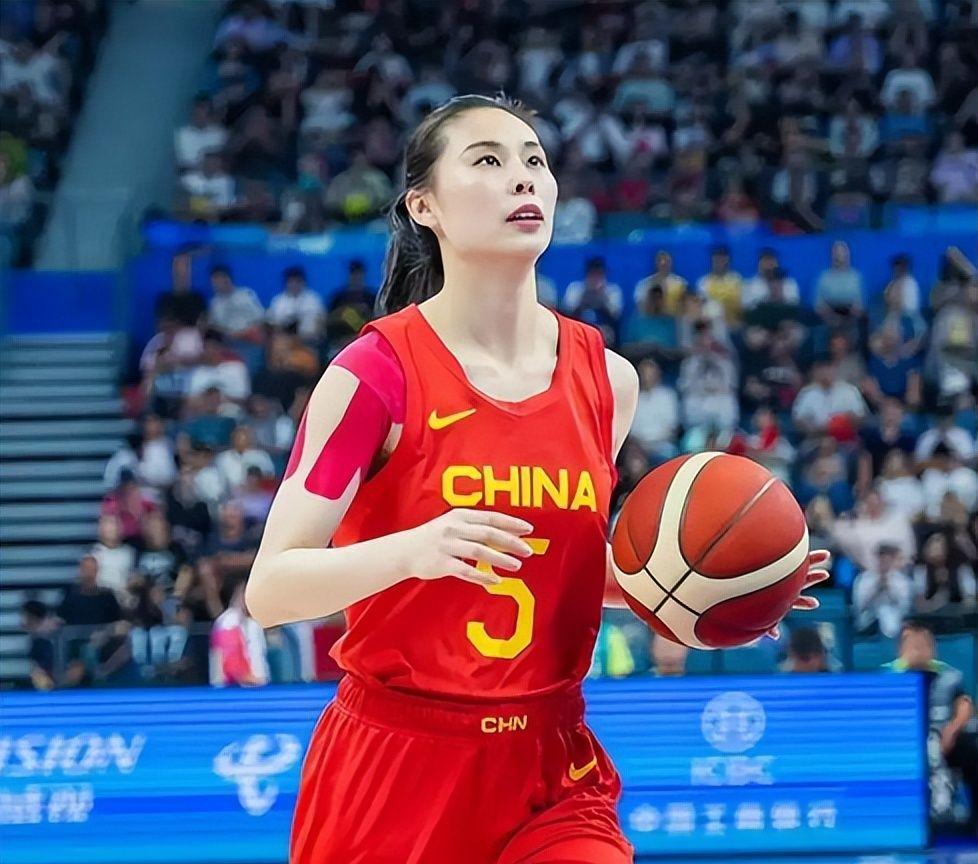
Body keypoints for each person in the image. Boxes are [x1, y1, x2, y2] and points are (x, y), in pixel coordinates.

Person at [244, 94, 829, 864]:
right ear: (425, 206)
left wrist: (707, 587)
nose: (523, 178)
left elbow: (561, 569)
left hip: (550, 764)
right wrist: (415, 550)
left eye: (535, 161)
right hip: (395, 764)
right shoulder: (373, 374)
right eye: (487, 160)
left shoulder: (607, 378)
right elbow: (270, 590)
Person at [885, 620, 977, 819]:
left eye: (923, 644)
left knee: (972, 749)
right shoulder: (888, 678)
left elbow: (965, 705)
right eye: (913, 644)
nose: (918, 650)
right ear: (901, 650)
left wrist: (951, 730)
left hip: (944, 739)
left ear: (933, 649)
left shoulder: (949, 677)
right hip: (904, 742)